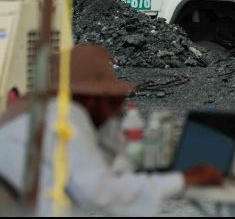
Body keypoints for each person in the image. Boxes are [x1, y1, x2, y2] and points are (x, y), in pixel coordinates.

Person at [0, 44, 223, 216]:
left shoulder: (44, 111)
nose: (117, 108)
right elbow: (100, 192)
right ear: (90, 100)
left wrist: (111, 122)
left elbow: (107, 163)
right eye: (111, 100)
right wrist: (183, 180)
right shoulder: (65, 116)